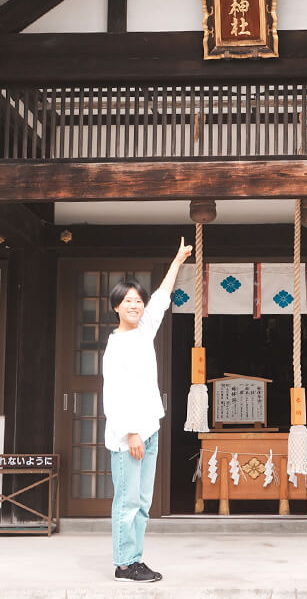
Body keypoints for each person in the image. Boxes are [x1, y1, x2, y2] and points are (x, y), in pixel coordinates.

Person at [103, 236, 192, 583]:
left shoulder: (143, 332)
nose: (135, 305)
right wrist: (132, 433)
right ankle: (125, 564)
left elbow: (162, 298)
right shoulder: (116, 346)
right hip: (131, 437)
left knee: (141, 503)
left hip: (149, 430)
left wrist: (178, 261)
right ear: (116, 307)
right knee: (127, 502)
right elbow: (115, 395)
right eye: (128, 301)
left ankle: (134, 559)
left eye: (137, 300)